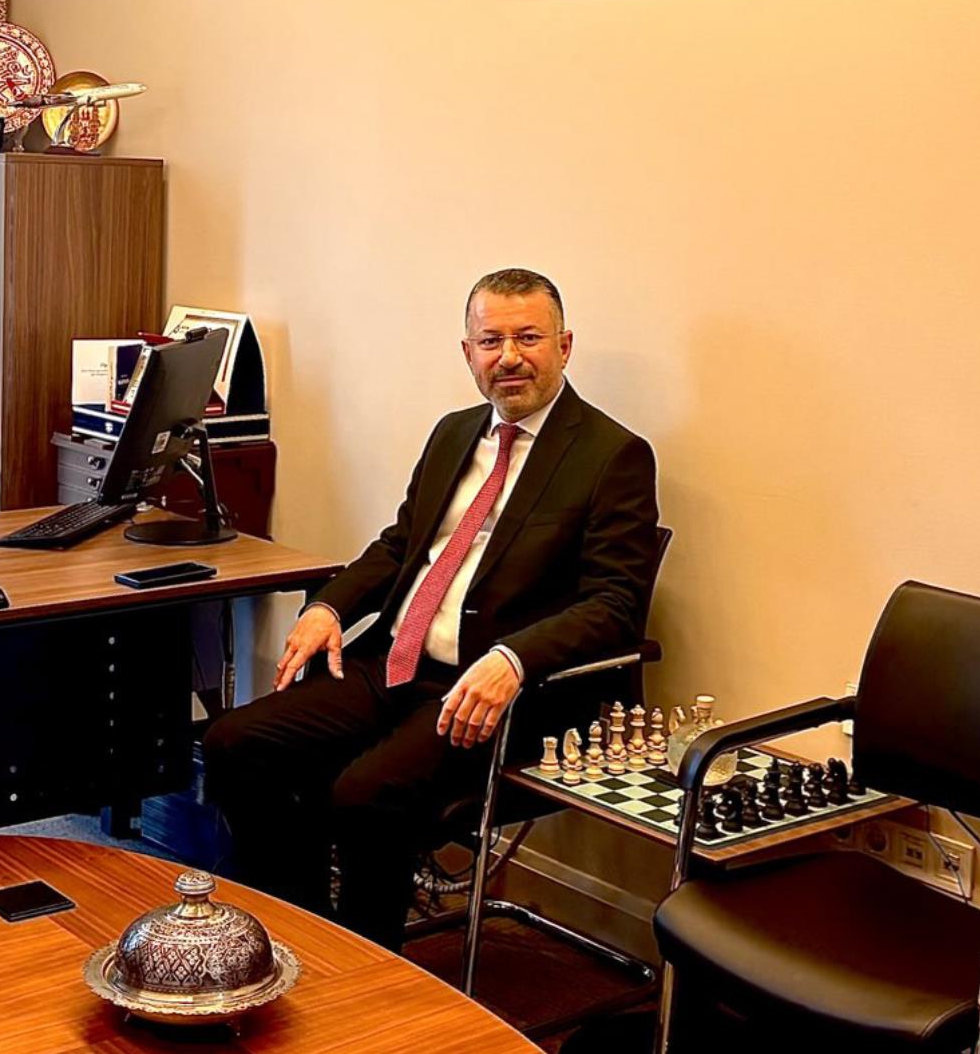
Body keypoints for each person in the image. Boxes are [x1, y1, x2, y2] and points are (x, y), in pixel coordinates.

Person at [202, 268, 660, 951]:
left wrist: (514, 659)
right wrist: (330, 608)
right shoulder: (454, 434)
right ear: (468, 353)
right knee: (233, 743)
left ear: (564, 347)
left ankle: (367, 969)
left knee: (363, 793)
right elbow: (399, 545)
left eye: (529, 338)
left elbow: (614, 604)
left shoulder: (612, 455)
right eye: (491, 341)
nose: (509, 357)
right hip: (394, 662)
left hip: (494, 693)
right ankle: (301, 931)